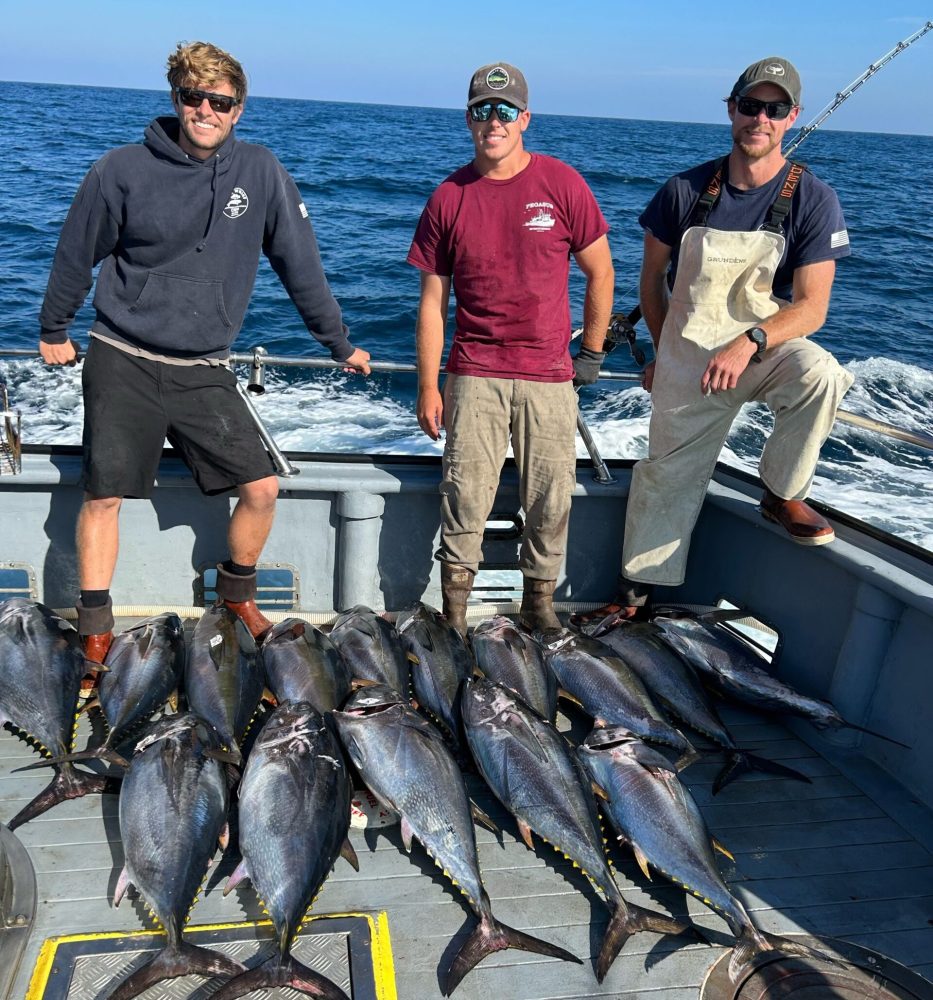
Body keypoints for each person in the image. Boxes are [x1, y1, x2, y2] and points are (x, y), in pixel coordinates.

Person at [38, 41, 370, 670]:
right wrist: (55, 326)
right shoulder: (120, 169)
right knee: (104, 496)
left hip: (204, 367)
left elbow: (301, 266)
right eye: (195, 98)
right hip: (121, 355)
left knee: (263, 487)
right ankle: (96, 627)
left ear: (239, 110)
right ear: (177, 101)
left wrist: (340, 343)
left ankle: (236, 595)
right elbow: (75, 252)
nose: (206, 110)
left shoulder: (262, 172)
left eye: (220, 101)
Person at [573, 56, 853, 626]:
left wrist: (751, 339)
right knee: (664, 479)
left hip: (763, 349)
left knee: (821, 373)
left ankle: (780, 493)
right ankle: (633, 600)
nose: (761, 118)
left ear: (792, 117)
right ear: (731, 109)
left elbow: (812, 307)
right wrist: (660, 353)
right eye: (750, 105)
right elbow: (651, 282)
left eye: (775, 109)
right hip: (688, 356)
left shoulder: (813, 199)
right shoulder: (683, 190)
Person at [408, 62, 614, 636]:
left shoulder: (563, 183)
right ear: (468, 119)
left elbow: (601, 272)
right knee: (463, 497)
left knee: (551, 500)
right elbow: (432, 302)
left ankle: (539, 605)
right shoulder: (448, 197)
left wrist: (591, 352)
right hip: (473, 373)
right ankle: (453, 614)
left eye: (504, 111)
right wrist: (429, 384)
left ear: (525, 118)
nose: (492, 122)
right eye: (481, 110)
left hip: (550, 376)